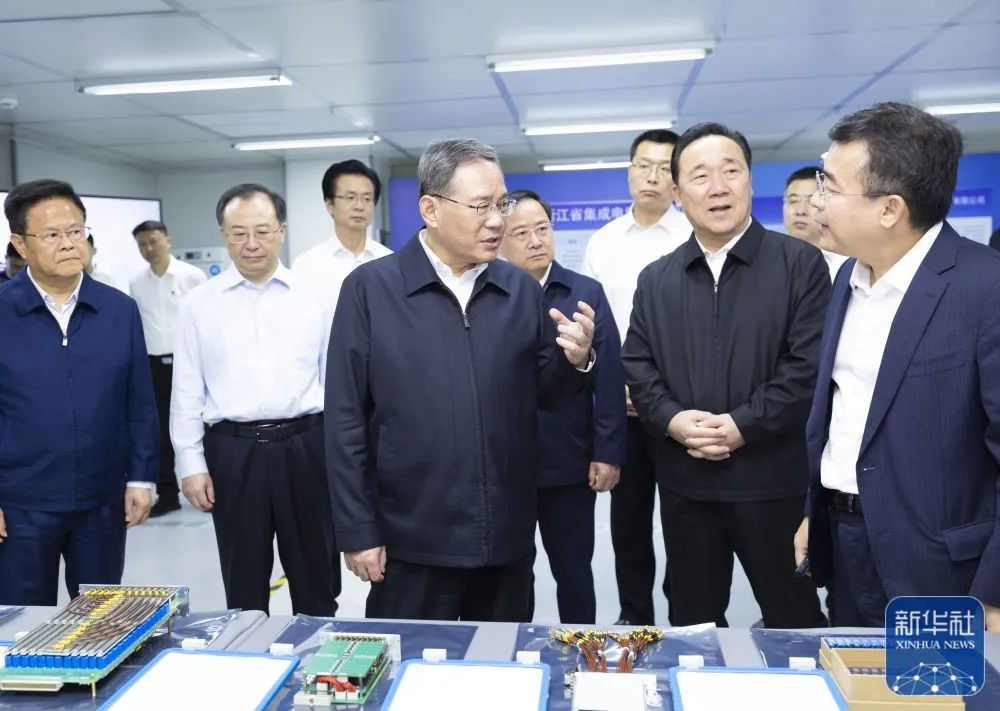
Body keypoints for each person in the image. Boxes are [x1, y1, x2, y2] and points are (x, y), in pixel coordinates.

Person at [326, 139, 596, 622]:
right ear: (431, 209)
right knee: (411, 665)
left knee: (500, 662)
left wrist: (575, 361)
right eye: (480, 206)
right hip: (410, 542)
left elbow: (546, 394)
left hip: (505, 539)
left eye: (501, 204)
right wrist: (358, 530)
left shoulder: (518, 289)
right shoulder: (371, 290)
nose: (497, 221)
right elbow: (345, 420)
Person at [793, 102, 1000, 630]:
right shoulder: (848, 277)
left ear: (889, 209)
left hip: (944, 570)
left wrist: (994, 596)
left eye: (829, 187)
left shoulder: (985, 289)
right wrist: (818, 511)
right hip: (846, 545)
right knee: (855, 675)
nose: (815, 201)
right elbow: (848, 413)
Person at [623, 123, 829, 628]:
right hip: (686, 486)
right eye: (700, 176)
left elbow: (806, 368)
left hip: (773, 484)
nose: (718, 187)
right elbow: (639, 366)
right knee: (693, 629)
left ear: (750, 181)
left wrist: (741, 426)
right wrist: (673, 421)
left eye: (731, 171)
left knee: (795, 624)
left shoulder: (800, 264)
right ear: (677, 193)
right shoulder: (656, 279)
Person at [170, 183, 338, 616]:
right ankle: (247, 650)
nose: (251, 243)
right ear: (223, 235)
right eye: (238, 233)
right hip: (233, 453)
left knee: (317, 578)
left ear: (281, 231)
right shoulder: (198, 305)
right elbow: (186, 391)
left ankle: (320, 650)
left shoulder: (314, 296)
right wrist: (190, 464)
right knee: (244, 582)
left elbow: (335, 382)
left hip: (306, 447)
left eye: (262, 231)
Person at [0, 179, 157, 605]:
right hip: (21, 503)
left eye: (76, 231)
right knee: (20, 621)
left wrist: (141, 478)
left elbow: (140, 403)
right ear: (20, 244)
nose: (69, 244)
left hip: (102, 499)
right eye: (52, 235)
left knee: (99, 619)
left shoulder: (119, 310)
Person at [580, 128, 692, 626]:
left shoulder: (692, 238)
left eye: (665, 167)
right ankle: (635, 615)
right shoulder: (603, 242)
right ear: (629, 172)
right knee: (628, 523)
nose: (653, 176)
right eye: (643, 166)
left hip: (680, 406)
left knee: (684, 519)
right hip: (621, 406)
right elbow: (591, 325)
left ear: (678, 178)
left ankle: (686, 614)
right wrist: (611, 390)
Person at [500, 189, 627, 624]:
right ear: (499, 239)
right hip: (506, 464)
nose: (536, 240)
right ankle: (513, 649)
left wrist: (607, 451)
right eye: (521, 232)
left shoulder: (585, 292)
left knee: (574, 570)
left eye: (542, 228)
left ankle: (582, 648)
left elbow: (609, 378)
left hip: (569, 459)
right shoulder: (491, 294)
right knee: (512, 575)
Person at [129, 220, 207, 517]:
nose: (149, 248)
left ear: (167, 241)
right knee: (159, 431)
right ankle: (168, 494)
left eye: (154, 241)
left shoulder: (191, 276)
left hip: (188, 362)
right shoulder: (137, 282)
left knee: (203, 425)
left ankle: (211, 490)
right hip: (153, 365)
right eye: (142, 244)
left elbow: (206, 319)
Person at [292, 159, 391, 332]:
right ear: (330, 205)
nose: (359, 206)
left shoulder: (389, 260)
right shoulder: (306, 265)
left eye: (367, 198)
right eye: (350, 197)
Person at [783, 165, 848, 280]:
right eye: (793, 201)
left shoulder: (846, 266)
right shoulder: (770, 259)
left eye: (810, 201)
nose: (800, 211)